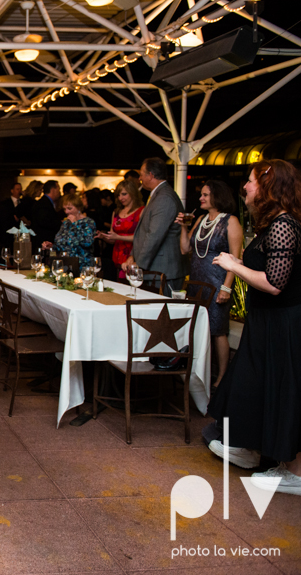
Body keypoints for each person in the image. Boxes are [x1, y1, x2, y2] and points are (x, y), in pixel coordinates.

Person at [206, 159, 301, 496]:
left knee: (283, 390)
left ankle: (293, 472)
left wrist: (234, 265)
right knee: (256, 385)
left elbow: (275, 283)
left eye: (250, 181)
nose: (244, 186)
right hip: (266, 321)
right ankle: (252, 448)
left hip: (283, 323)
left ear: (268, 187)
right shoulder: (272, 224)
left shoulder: (284, 225)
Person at [175, 180, 242, 388]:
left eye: (205, 195)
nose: (201, 198)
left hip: (217, 283)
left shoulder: (231, 222)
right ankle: (198, 373)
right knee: (197, 327)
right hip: (196, 282)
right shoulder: (202, 219)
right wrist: (184, 227)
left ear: (217, 196)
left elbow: (235, 258)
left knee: (217, 330)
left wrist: (226, 287)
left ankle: (222, 377)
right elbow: (185, 249)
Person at [122, 157, 185, 289]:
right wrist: (132, 255)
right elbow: (143, 232)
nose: (140, 178)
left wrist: (138, 265)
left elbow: (154, 235)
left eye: (142, 174)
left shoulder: (164, 198)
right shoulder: (158, 195)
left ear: (151, 175)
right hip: (157, 268)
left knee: (164, 309)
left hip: (164, 271)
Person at [97, 179, 144, 280]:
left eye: (124, 194)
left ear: (133, 193)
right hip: (117, 254)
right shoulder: (116, 212)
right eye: (118, 195)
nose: (120, 198)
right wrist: (104, 237)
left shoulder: (141, 211)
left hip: (133, 254)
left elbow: (142, 237)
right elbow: (113, 239)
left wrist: (118, 236)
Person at [40, 192, 96, 270]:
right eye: (64, 209)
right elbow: (61, 243)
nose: (66, 212)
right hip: (65, 265)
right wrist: (51, 246)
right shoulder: (66, 223)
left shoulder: (88, 222)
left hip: (82, 266)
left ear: (78, 207)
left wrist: (75, 224)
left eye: (69, 208)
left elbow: (87, 242)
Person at [30, 180, 62, 248]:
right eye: (58, 189)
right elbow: (44, 221)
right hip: (43, 243)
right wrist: (60, 223)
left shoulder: (45, 202)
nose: (60, 192)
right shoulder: (43, 204)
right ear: (53, 190)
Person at [0, 182, 22, 250]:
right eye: (17, 189)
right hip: (6, 235)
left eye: (20, 189)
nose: (19, 191)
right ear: (12, 190)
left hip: (19, 235)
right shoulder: (4, 203)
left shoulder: (23, 202)